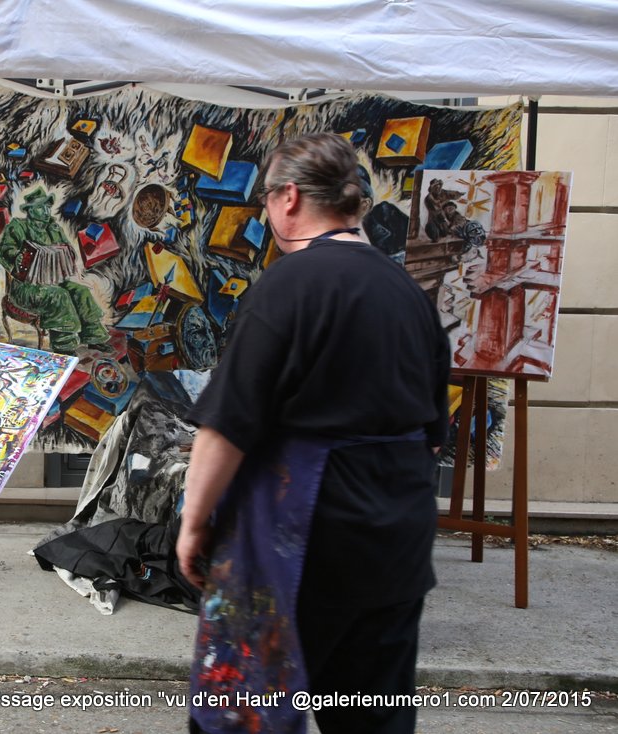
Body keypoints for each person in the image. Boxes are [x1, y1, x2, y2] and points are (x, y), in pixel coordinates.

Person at [176, 133, 449, 734]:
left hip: (304, 542)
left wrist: (194, 523)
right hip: (397, 538)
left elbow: (227, 425)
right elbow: (433, 434)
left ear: (290, 197)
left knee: (248, 713)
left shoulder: (288, 284)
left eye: (268, 199)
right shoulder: (408, 292)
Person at [0, 187, 110, 353]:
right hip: (25, 288)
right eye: (41, 207)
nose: (46, 210)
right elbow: (2, 251)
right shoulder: (18, 227)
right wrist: (17, 257)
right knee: (58, 296)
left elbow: (68, 250)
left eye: (48, 207)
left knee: (80, 291)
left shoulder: (54, 228)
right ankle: (64, 346)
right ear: (30, 210)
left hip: (54, 281)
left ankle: (94, 336)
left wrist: (65, 254)